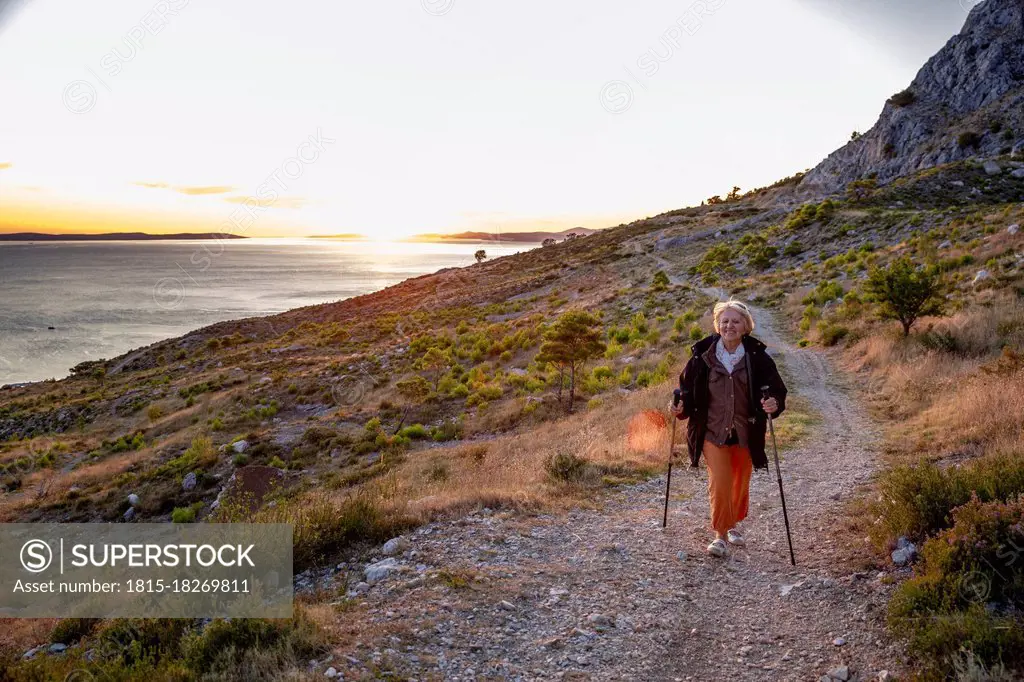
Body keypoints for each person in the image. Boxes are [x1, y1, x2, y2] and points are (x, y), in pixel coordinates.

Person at [669, 300, 787, 557]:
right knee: (720, 483)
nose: (729, 325)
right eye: (725, 321)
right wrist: (681, 408)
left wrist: (772, 403)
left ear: (746, 326)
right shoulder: (702, 356)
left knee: (739, 483)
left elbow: (777, 389)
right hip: (712, 432)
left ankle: (733, 522)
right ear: (717, 325)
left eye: (735, 321)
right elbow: (687, 390)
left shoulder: (757, 358)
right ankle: (720, 535)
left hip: (747, 432)